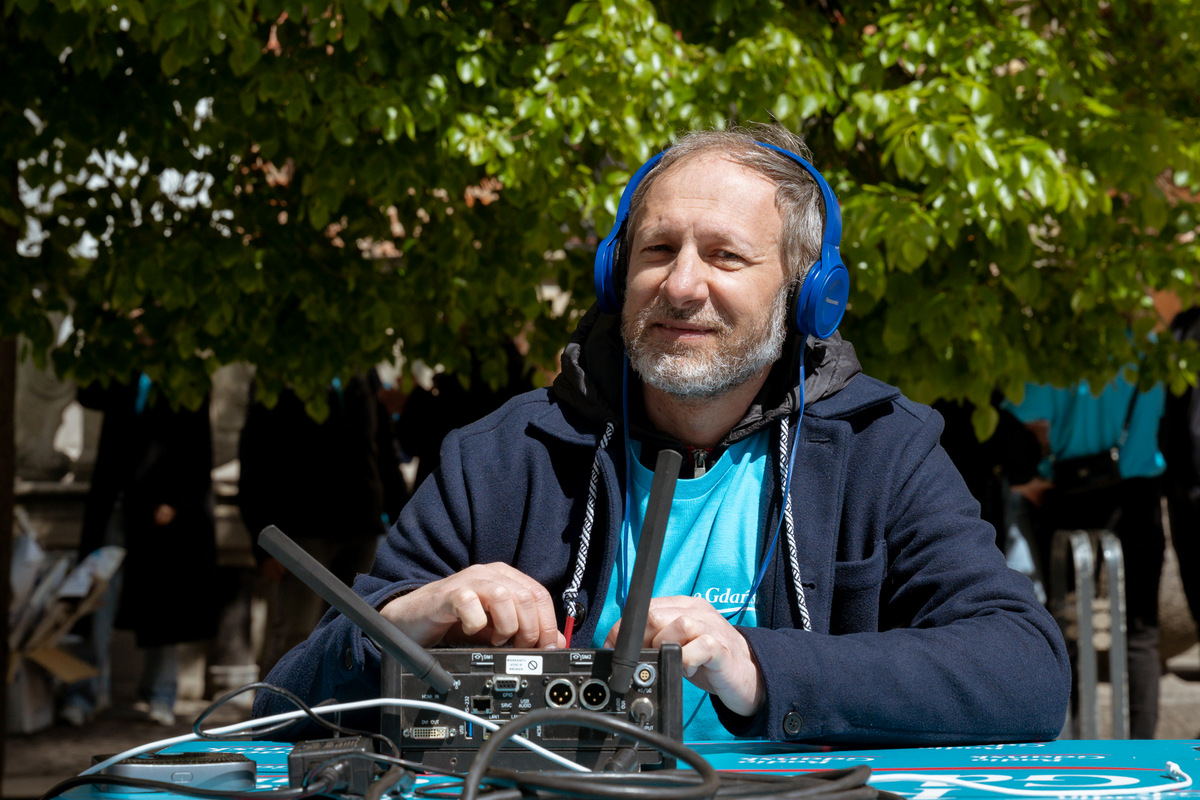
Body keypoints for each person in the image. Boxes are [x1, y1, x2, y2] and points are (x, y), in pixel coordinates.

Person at [255, 123, 1069, 745]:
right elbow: (280, 707)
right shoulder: (501, 456)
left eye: (725, 256)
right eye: (657, 250)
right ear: (616, 275)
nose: (681, 285)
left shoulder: (882, 449)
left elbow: (1025, 672)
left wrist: (757, 667)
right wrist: (405, 620)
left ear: (808, 294)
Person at [1006, 375, 1167, 739]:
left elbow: (1022, 406)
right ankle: (1141, 751)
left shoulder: (1064, 356)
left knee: (1066, 630)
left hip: (1073, 491)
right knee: (1141, 634)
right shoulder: (1151, 351)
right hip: (1141, 493)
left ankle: (1071, 743)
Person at [61, 373, 219, 727]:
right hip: (116, 503)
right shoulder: (120, 368)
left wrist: (176, 500)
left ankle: (161, 694)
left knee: (164, 602)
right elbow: (88, 392)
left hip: (161, 513)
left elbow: (198, 447)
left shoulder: (185, 373)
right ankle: (84, 694)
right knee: (96, 597)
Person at [238, 369, 408, 674]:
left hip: (361, 526)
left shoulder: (362, 372)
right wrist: (261, 544)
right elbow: (254, 457)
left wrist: (405, 523)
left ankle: (340, 706)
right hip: (303, 529)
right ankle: (278, 705)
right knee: (296, 633)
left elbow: (383, 448)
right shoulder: (280, 370)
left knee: (356, 633)